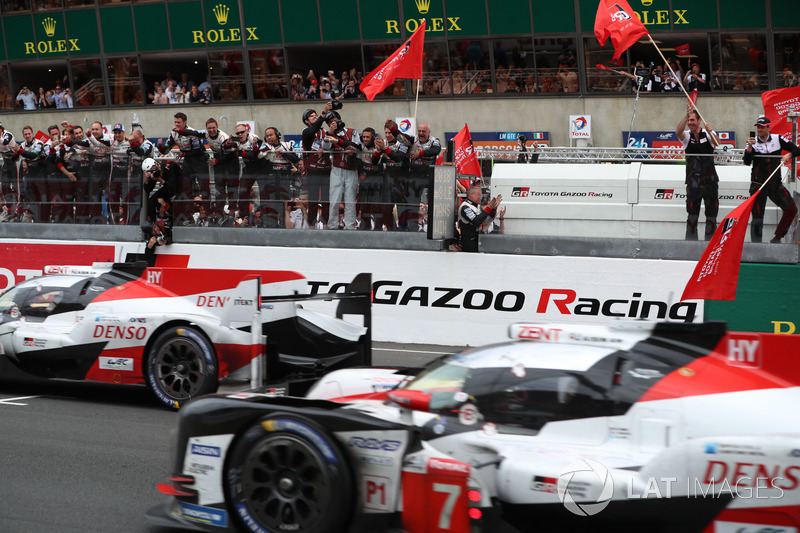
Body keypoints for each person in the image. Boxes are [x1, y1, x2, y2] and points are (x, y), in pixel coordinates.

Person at [744, 116, 800, 243]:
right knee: (757, 218)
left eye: (762, 127)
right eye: (758, 127)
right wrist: (749, 148)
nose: (760, 129)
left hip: (775, 184)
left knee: (792, 209)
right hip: (758, 185)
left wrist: (789, 154)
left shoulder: (778, 139)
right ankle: (756, 247)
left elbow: (797, 149)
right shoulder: (752, 142)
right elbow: (747, 162)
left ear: (769, 127)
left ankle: (777, 237)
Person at [676, 105, 720, 240]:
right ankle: (690, 242)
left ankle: (710, 242)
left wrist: (711, 132)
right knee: (692, 214)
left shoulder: (707, 134)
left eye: (692, 120)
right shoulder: (687, 137)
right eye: (689, 121)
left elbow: (717, 143)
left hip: (710, 181)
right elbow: (678, 132)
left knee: (711, 214)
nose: (690, 123)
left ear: (699, 120)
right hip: (693, 182)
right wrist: (685, 116)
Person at [158, 112, 210, 224]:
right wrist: (160, 146)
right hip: (187, 162)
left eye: (179, 122)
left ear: (185, 122)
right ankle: (189, 216)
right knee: (186, 189)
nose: (176, 125)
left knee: (204, 189)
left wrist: (185, 154)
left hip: (199, 162)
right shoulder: (173, 133)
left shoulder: (191, 132)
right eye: (175, 122)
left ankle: (207, 214)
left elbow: (199, 150)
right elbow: (166, 150)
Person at [324, 110, 362, 230]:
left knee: (350, 199)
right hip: (336, 169)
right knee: (334, 199)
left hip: (351, 169)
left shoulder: (352, 131)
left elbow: (358, 146)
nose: (333, 123)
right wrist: (329, 133)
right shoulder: (329, 134)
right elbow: (324, 147)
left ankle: (350, 226)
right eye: (330, 122)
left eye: (334, 120)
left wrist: (340, 142)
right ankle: (332, 225)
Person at [300, 102, 334, 220]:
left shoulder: (326, 132)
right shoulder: (306, 132)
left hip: (326, 170)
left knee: (326, 199)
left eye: (315, 114)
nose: (314, 116)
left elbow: (333, 147)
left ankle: (325, 224)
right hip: (313, 170)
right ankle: (312, 226)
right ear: (306, 121)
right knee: (313, 199)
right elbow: (314, 128)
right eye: (311, 116)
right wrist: (324, 111)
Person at [458, 185, 502, 252]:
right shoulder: (465, 207)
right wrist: (489, 207)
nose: (481, 197)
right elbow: (477, 221)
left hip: (479, 241)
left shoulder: (477, 207)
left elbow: (487, 220)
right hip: (469, 244)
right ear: (472, 195)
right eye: (479, 195)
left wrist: (493, 208)